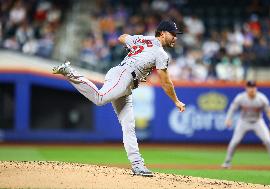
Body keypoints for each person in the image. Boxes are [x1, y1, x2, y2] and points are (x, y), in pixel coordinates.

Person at [52, 20, 186, 177]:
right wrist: (176, 101)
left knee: (128, 125)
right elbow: (166, 82)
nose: (176, 38)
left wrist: (131, 46)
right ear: (163, 33)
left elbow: (122, 37)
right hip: (123, 76)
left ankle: (138, 165)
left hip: (125, 81)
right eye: (173, 34)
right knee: (99, 98)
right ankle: (70, 72)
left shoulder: (143, 39)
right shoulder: (161, 54)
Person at [222, 80, 270, 169]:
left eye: (253, 87)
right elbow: (232, 109)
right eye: (250, 87)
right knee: (235, 141)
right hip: (243, 122)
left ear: (256, 88)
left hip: (258, 122)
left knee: (268, 140)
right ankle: (227, 161)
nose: (251, 89)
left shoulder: (261, 98)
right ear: (246, 88)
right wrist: (228, 119)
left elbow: (269, 112)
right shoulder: (241, 98)